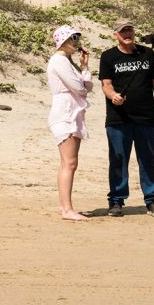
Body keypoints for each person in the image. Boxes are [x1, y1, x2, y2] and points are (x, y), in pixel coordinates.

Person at [99, 19, 154, 218]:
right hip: (118, 118)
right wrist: (113, 96)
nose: (127, 34)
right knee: (118, 159)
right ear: (115, 34)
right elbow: (106, 84)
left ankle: (153, 200)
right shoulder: (108, 56)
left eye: (130, 30)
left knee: (148, 159)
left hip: (145, 117)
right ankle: (116, 201)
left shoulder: (147, 53)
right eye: (123, 31)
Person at [47, 25, 93, 221]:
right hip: (65, 113)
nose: (76, 42)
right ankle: (66, 209)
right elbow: (80, 89)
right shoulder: (59, 60)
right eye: (73, 38)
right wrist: (82, 82)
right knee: (69, 162)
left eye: (77, 38)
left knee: (69, 163)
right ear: (64, 40)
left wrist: (84, 67)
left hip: (72, 113)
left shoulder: (67, 62)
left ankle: (65, 206)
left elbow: (87, 87)